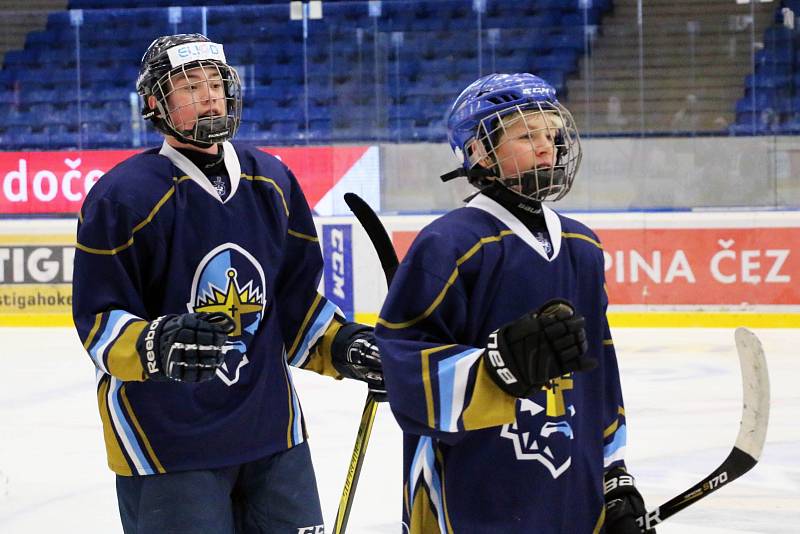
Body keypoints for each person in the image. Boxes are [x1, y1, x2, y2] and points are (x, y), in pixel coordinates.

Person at [72, 33, 384, 534]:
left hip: (272, 434)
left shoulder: (273, 181)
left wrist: (344, 345)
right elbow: (99, 323)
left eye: (215, 83)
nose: (209, 95)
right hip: (167, 444)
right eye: (190, 86)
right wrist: (155, 344)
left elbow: (293, 305)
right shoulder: (122, 197)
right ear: (157, 103)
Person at [374, 73, 654, 533]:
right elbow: (403, 364)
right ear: (479, 151)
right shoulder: (450, 244)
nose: (547, 146)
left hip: (571, 490)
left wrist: (614, 475)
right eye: (527, 135)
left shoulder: (583, 247)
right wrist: (496, 368)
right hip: (473, 492)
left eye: (552, 133)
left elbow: (601, 371)